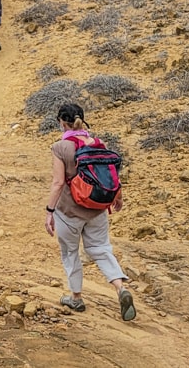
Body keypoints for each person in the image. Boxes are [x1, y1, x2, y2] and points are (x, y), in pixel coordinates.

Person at [44, 102, 137, 322]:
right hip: (97, 209)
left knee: (70, 253)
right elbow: (111, 174)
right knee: (101, 249)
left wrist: (49, 211)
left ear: (61, 122)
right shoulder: (98, 143)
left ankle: (76, 297)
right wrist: (118, 197)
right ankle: (120, 288)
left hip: (69, 212)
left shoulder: (61, 147)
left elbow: (58, 183)